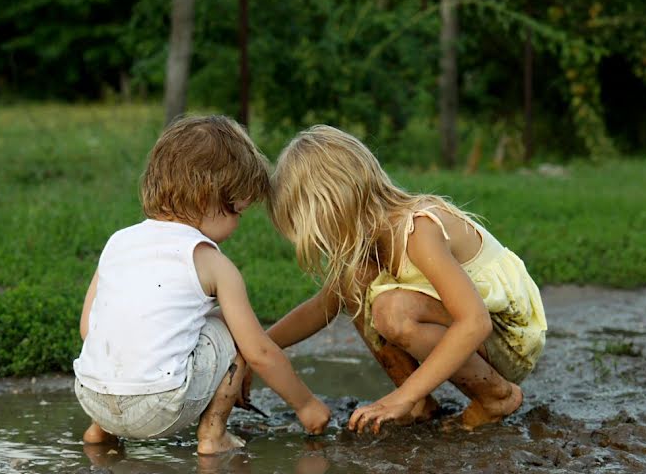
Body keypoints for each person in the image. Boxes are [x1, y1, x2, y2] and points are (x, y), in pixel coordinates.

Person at [73, 115, 331, 455]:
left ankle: (101, 431)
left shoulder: (118, 242)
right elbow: (259, 352)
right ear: (207, 199)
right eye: (237, 211)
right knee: (234, 330)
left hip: (91, 396)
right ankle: (213, 435)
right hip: (159, 407)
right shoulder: (212, 263)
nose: (238, 223)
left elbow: (87, 328)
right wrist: (307, 406)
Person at [264, 125, 547, 434]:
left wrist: (401, 396)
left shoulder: (419, 230)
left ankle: (496, 397)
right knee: (355, 284)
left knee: (393, 310)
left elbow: (475, 322)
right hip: (477, 336)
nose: (321, 245)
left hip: (507, 339)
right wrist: (256, 348)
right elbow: (322, 307)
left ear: (336, 207)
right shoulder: (367, 246)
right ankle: (419, 404)